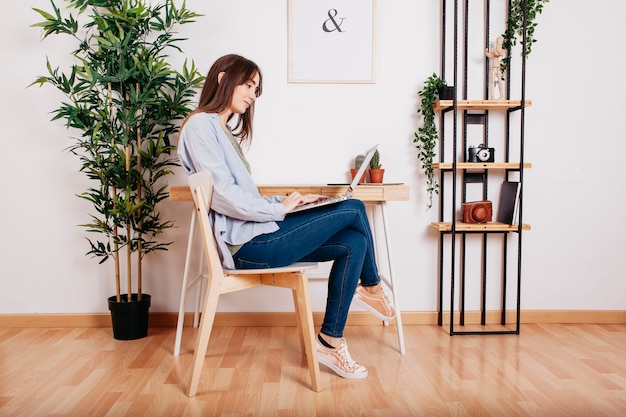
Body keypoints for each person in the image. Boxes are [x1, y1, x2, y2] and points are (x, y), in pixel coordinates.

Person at [178, 54, 395, 380]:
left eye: (256, 89)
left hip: (259, 236)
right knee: (353, 208)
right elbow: (223, 196)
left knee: (353, 241)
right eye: (248, 85)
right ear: (223, 79)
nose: (253, 95)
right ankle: (373, 289)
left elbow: (244, 197)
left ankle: (330, 341)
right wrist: (280, 209)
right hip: (247, 249)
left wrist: (289, 201)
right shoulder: (200, 126)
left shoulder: (222, 131)